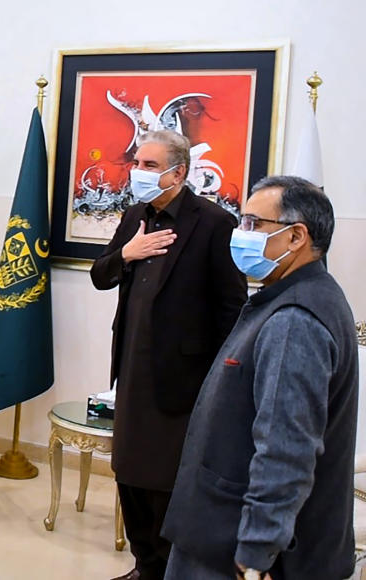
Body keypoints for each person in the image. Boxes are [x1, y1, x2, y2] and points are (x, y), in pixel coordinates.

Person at [162, 176, 358, 579]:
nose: (241, 234)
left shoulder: (295, 321)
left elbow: (285, 450)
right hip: (218, 527)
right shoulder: (296, 297)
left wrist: (255, 553)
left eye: (254, 224)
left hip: (237, 547)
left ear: (295, 237)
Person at [90, 130, 248, 580]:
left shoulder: (214, 223)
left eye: (150, 166)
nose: (138, 173)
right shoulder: (134, 215)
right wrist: (127, 251)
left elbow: (231, 307)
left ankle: (167, 570)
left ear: (178, 173)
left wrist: (222, 379)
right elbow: (101, 275)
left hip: (184, 376)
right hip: (131, 368)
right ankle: (143, 565)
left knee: (165, 481)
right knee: (128, 473)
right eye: (137, 163)